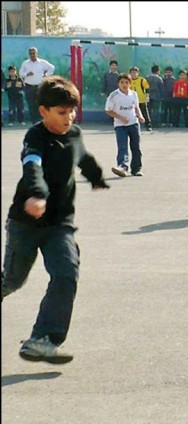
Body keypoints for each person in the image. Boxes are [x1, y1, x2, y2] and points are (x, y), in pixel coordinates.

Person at [1, 75, 110, 364]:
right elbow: (32, 166)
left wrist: (95, 175)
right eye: (62, 112)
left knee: (66, 273)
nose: (69, 117)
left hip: (60, 224)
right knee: (12, 281)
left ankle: (44, 339)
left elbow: (82, 157)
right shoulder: (35, 137)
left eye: (72, 111)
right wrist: (37, 195)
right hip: (26, 223)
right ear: (43, 111)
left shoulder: (73, 133)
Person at [105, 72, 146, 177]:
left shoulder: (134, 94)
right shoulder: (114, 95)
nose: (124, 84)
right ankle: (122, 167)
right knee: (122, 147)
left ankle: (136, 169)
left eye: (127, 82)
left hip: (133, 124)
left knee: (136, 147)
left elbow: (136, 107)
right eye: (122, 82)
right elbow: (108, 110)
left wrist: (140, 116)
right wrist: (121, 118)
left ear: (130, 84)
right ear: (118, 84)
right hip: (120, 126)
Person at [19, 47, 55, 124]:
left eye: (34, 53)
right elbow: (20, 73)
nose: (32, 55)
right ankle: (34, 121)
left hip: (39, 86)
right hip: (29, 86)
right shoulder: (25, 63)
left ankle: (40, 120)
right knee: (31, 104)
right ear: (29, 54)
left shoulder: (42, 62)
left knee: (40, 103)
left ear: (37, 54)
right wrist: (26, 74)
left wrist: (46, 75)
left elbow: (52, 68)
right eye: (30, 53)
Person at [130, 66, 152, 131]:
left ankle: (148, 125)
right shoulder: (128, 80)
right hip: (132, 101)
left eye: (135, 72)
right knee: (131, 113)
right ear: (130, 73)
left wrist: (147, 96)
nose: (134, 74)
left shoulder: (142, 80)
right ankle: (132, 126)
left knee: (145, 113)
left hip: (141, 99)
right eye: (132, 72)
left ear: (138, 73)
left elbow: (147, 88)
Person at [146, 64, 164, 129]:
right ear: (158, 71)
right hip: (157, 96)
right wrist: (162, 96)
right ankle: (155, 123)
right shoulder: (159, 78)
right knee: (156, 110)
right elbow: (161, 88)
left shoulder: (147, 77)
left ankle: (148, 122)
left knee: (148, 109)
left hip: (148, 96)